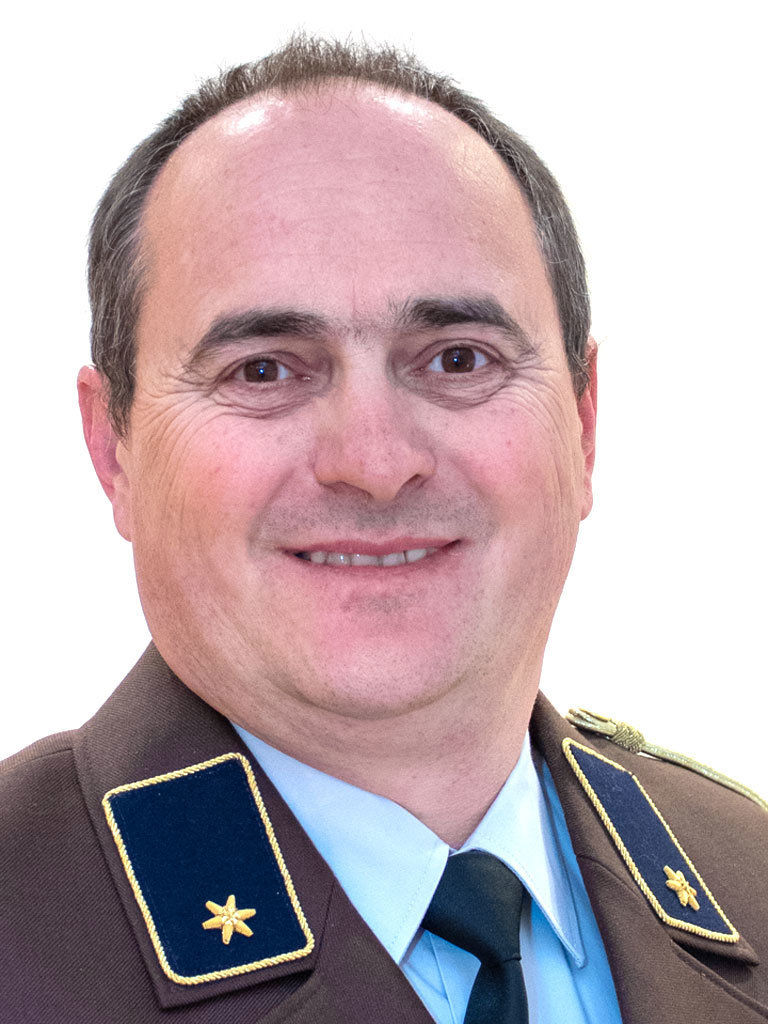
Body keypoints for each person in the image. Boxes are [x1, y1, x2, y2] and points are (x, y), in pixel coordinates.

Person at [1, 35, 766, 1024]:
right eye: (264, 369)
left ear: (583, 423)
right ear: (115, 449)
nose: (374, 461)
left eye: (457, 358)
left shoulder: (746, 873)